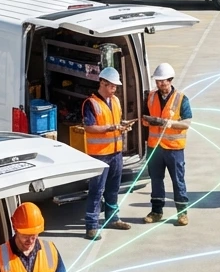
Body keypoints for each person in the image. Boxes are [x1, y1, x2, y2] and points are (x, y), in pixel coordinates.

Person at [82, 65, 133, 240]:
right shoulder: (91, 103)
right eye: (112, 86)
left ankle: (112, 218)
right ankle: (91, 225)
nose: (115, 89)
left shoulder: (116, 101)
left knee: (113, 189)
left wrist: (122, 125)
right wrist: (111, 128)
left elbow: (116, 120)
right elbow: (89, 127)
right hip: (99, 154)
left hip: (116, 152)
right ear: (102, 83)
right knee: (97, 190)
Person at [141, 62, 193, 226]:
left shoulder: (181, 98)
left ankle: (182, 213)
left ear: (170, 80)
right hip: (155, 147)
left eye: (163, 81)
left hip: (174, 149)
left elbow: (187, 123)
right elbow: (144, 116)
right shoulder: (150, 97)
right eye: (158, 81)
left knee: (178, 180)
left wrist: (168, 123)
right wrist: (148, 122)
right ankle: (156, 211)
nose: (160, 84)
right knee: (156, 180)